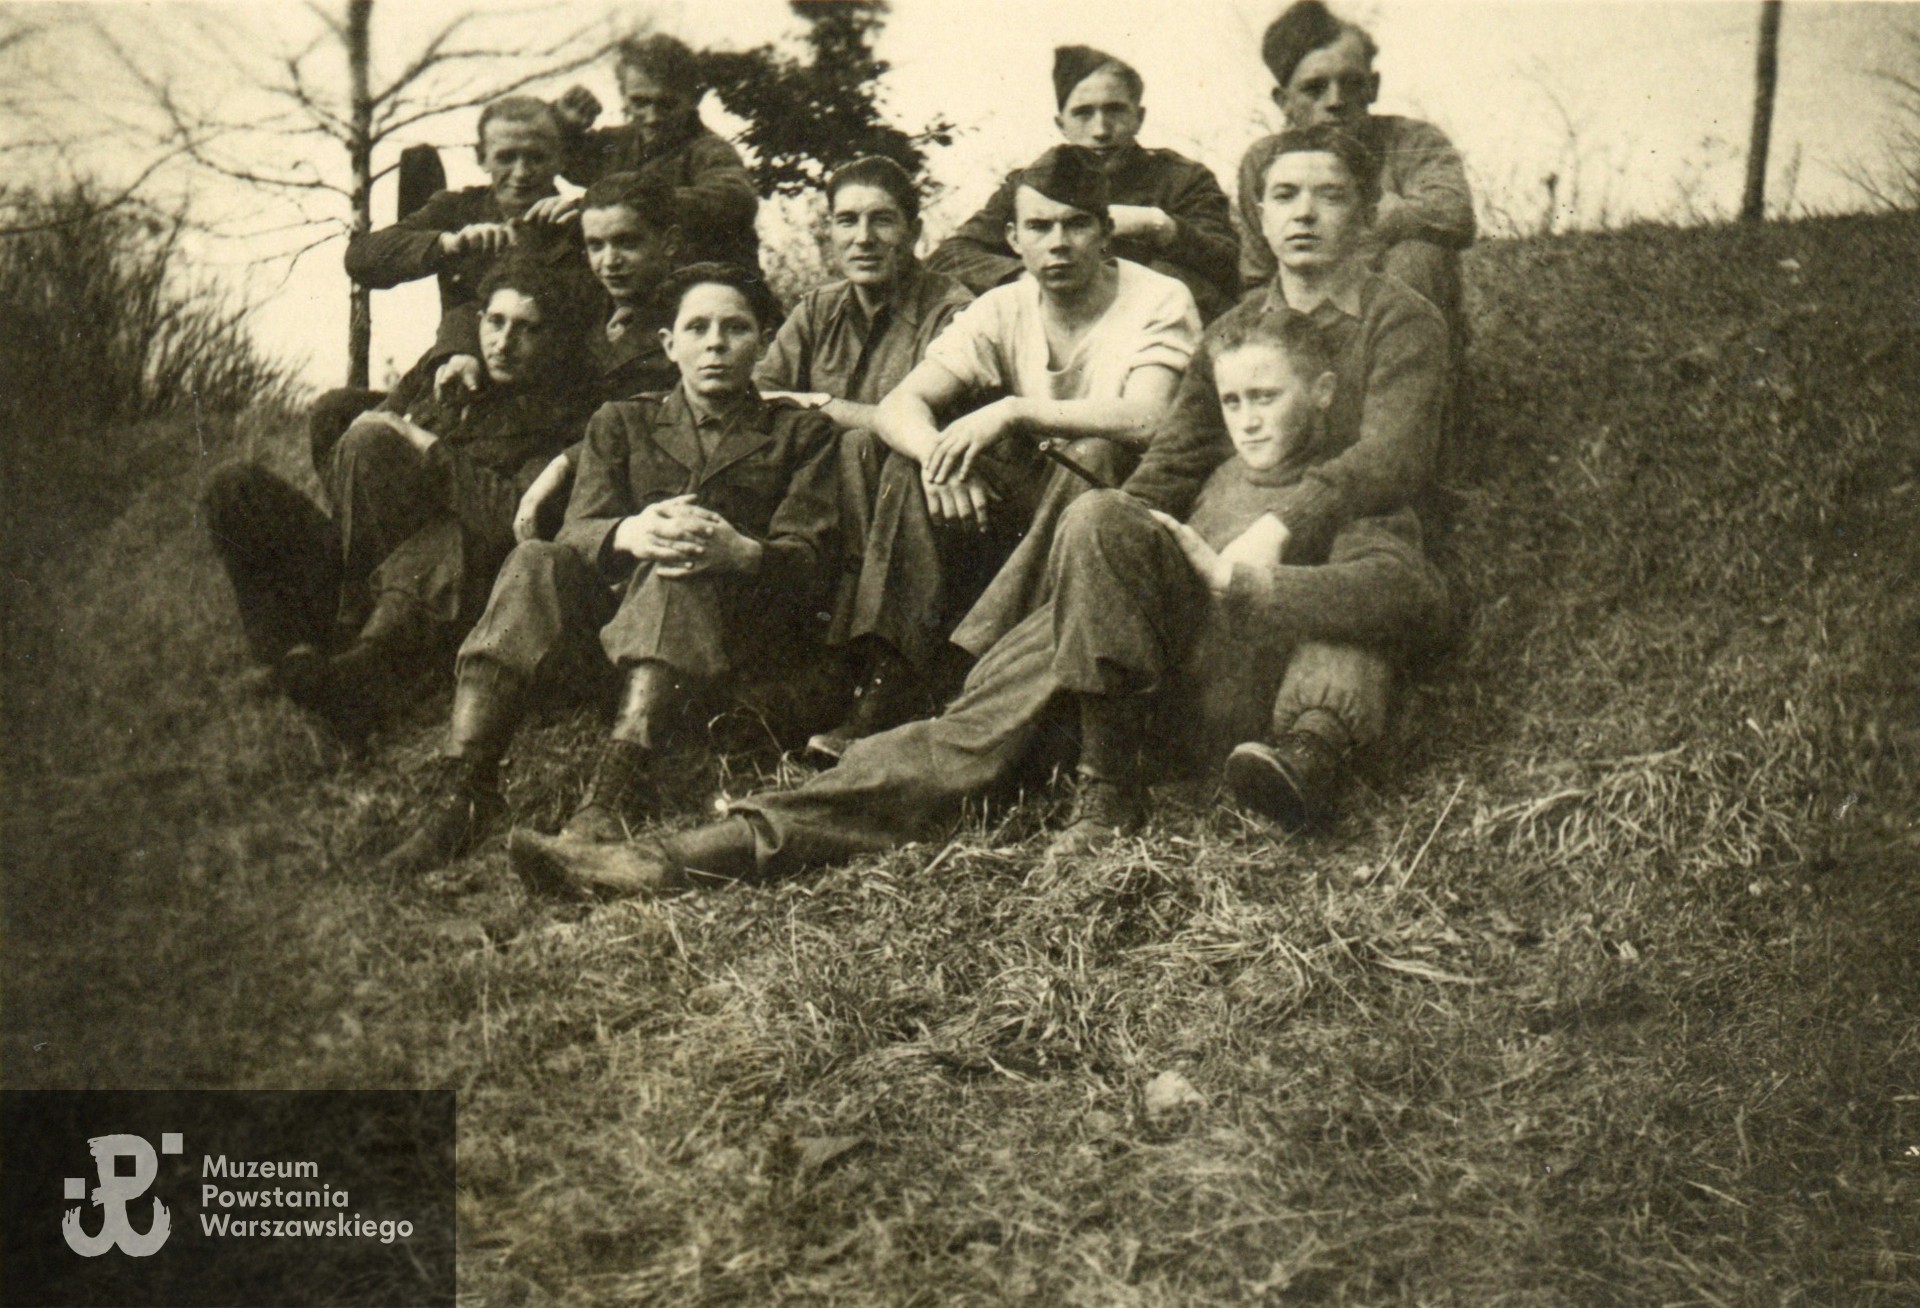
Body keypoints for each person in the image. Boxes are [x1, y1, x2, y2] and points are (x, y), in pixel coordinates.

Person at [506, 309, 1446, 899]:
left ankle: (1105, 800)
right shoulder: (1201, 487)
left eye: (1267, 396)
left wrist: (1262, 582)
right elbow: (1111, 547)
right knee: (937, 749)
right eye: (1232, 397)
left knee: (1094, 540)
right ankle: (678, 859)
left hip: (1210, 709)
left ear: (1321, 396)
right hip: (1104, 690)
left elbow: (1409, 594)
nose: (1247, 417)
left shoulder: (1345, 493)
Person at [374, 263, 840, 877]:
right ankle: (466, 788)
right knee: (536, 557)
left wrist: (741, 551)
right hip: (617, 645)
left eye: (736, 328)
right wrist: (629, 532)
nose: (716, 343)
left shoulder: (801, 434)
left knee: (685, 555)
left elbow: (813, 564)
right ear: (670, 345)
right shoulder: (623, 421)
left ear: (762, 340)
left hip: (737, 650)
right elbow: (579, 529)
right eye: (696, 328)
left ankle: (609, 799)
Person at [810, 144, 1199, 758]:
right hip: (1029, 509)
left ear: (1106, 235)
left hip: (1120, 521)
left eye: (1076, 225)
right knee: (911, 464)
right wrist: (937, 459)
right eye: (1040, 227)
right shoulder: (1002, 305)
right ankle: (891, 685)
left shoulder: (1159, 298)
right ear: (1014, 239)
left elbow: (1150, 419)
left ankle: (970, 662)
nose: (1059, 243)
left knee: (1095, 452)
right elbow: (898, 407)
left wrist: (1015, 409)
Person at [1130, 123, 1451, 823]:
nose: (1304, 213)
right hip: (1242, 529)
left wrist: (1288, 522)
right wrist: (1123, 525)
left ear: (1365, 217)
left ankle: (1307, 757)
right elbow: (1178, 452)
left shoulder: (1402, 320)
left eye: (1330, 196)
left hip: (1360, 529)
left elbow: (1393, 455)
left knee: (1362, 585)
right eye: (1284, 196)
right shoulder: (1233, 331)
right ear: (1260, 217)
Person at [203, 260, 600, 744]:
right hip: (367, 562)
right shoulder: (447, 371)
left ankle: (361, 674)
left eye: (526, 329)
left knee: (441, 533)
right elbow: (361, 439)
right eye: (495, 323)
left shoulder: (563, 415)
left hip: (448, 589)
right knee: (234, 486)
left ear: (553, 340)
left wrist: (420, 442)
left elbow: (510, 519)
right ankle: (289, 656)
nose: (504, 341)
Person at [750, 156, 975, 754]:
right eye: (846, 221)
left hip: (930, 513)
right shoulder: (817, 311)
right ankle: (817, 678)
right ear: (828, 232)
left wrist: (818, 401)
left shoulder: (950, 310)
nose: (863, 238)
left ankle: (885, 680)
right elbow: (760, 398)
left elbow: (919, 427)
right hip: (827, 513)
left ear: (914, 230)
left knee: (869, 450)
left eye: (883, 220)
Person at [319, 96, 590, 469]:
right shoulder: (460, 210)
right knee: (335, 416)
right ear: (481, 158)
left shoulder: (581, 223)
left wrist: (586, 216)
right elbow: (361, 258)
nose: (522, 171)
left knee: (374, 444)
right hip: (449, 374)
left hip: (530, 399)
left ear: (561, 158)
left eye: (536, 157)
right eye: (506, 157)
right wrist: (447, 244)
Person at [438, 172, 694, 536]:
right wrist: (462, 350)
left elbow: (672, 416)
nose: (610, 260)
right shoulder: (586, 295)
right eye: (595, 245)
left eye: (627, 242)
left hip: (627, 490)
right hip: (545, 455)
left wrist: (566, 460)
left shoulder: (693, 315)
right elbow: (486, 303)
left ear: (669, 243)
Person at [928, 46, 1240, 321]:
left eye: (1115, 110)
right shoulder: (1031, 187)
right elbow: (951, 256)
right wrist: (1030, 275)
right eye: (1083, 114)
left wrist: (1158, 225)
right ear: (1061, 125)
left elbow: (1230, 264)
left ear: (1139, 117)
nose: (1101, 130)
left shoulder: (1182, 178)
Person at [1236, 1, 1473, 330]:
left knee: (1418, 256)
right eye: (1314, 88)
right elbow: (1257, 275)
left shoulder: (1411, 141)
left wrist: (1379, 224)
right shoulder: (1264, 161)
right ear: (1283, 100)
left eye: (1351, 83)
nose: (1335, 101)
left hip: (1395, 324)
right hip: (1303, 331)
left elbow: (1455, 213)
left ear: (1373, 87)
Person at [552, 34, 760, 269]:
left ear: (694, 98)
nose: (652, 118)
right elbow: (554, 159)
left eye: (667, 104)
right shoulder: (616, 143)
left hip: (701, 290)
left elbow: (737, 199)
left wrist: (640, 201)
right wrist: (562, 122)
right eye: (640, 102)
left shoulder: (708, 150)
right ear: (623, 95)